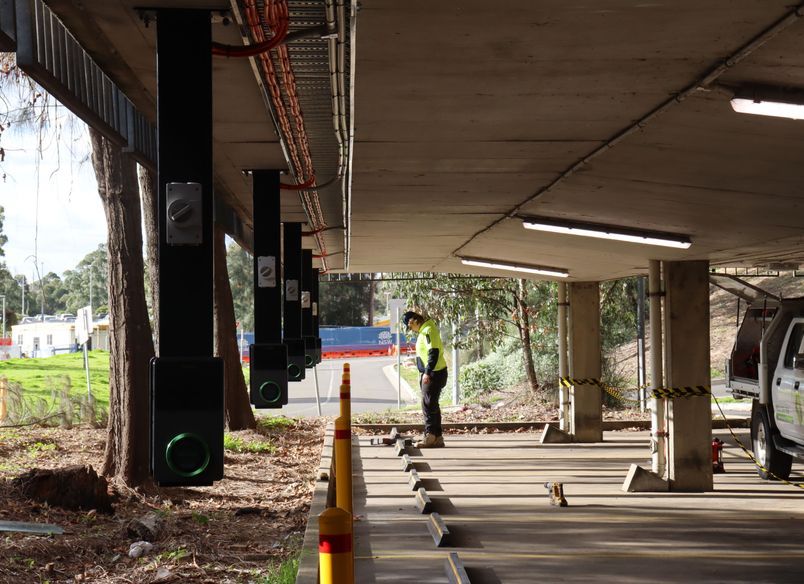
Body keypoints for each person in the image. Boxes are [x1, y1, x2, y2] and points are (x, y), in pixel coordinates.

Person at [402, 311, 448, 448]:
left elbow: (433, 352)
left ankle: (430, 436)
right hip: (435, 372)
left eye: (410, 326)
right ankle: (437, 437)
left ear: (414, 321)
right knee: (432, 404)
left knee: (428, 405)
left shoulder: (428, 330)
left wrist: (427, 372)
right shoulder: (426, 330)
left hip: (434, 373)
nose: (411, 329)